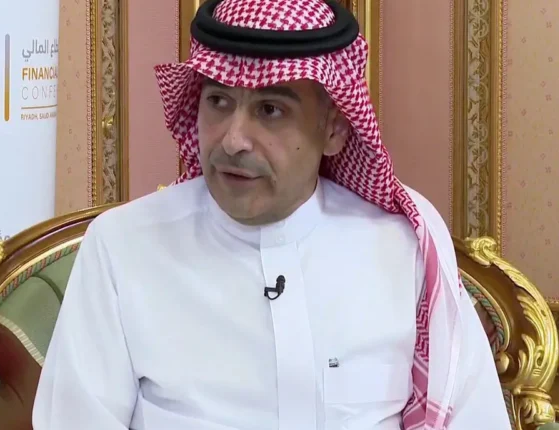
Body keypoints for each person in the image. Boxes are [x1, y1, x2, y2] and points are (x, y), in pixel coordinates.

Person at [32, 0, 511, 428]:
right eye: (218, 102)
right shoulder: (123, 248)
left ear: (334, 128)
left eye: (270, 110)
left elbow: (474, 415)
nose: (233, 140)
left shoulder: (404, 247)